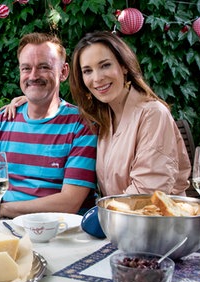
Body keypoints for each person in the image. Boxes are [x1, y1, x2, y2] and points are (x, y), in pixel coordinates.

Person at [0, 32, 98, 218]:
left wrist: (4, 209)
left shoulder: (81, 125)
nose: (33, 76)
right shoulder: (0, 122)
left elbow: (69, 203)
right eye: (26, 68)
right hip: (7, 228)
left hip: (59, 231)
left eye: (44, 67)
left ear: (63, 72)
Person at [69, 31, 190, 196]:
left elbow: (147, 192)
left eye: (105, 65)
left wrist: (104, 213)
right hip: (117, 218)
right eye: (88, 71)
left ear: (124, 66)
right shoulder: (103, 117)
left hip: (156, 219)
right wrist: (29, 100)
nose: (97, 78)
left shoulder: (153, 114)